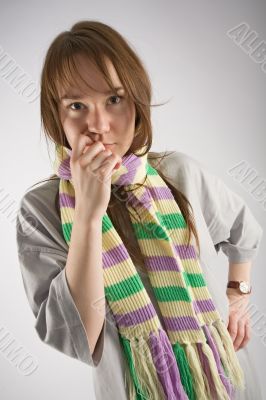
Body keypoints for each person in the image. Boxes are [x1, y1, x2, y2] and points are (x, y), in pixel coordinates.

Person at [16, 20, 263, 400]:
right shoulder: (41, 210)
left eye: (114, 99)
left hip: (227, 383)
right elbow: (77, 337)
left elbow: (242, 229)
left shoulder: (179, 173)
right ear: (57, 117)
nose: (98, 125)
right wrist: (87, 214)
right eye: (77, 105)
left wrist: (238, 297)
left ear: (137, 101)